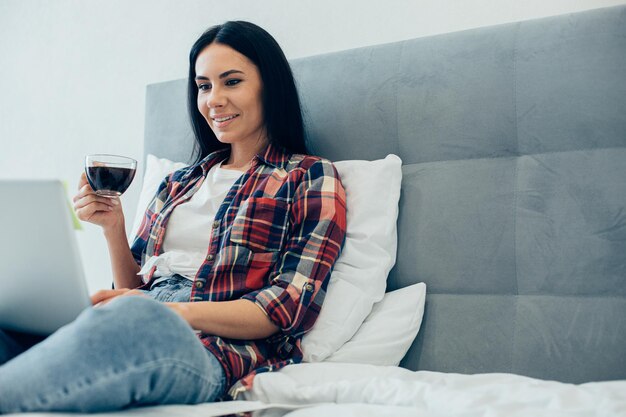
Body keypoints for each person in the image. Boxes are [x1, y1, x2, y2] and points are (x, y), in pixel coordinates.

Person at [0, 21, 346, 413]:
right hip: (142, 317)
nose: (213, 99)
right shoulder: (178, 182)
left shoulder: (310, 177)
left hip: (210, 348)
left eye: (231, 82)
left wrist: (166, 312)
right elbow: (135, 286)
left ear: (271, 85)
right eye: (203, 86)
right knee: (9, 324)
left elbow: (281, 308)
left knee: (135, 322)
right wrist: (114, 228)